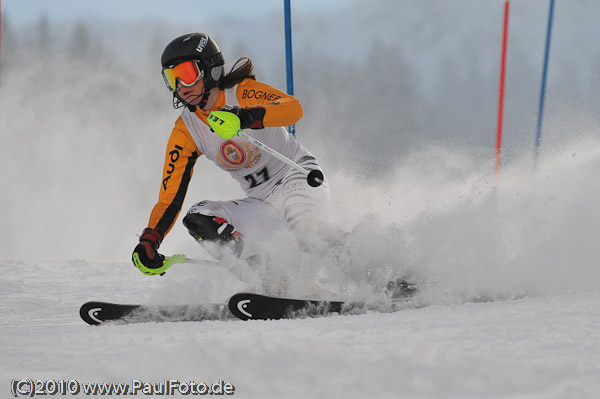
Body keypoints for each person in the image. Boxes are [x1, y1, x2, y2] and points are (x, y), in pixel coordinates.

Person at [132, 32, 333, 277]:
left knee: (307, 237)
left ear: (210, 70)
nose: (181, 88)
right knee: (198, 218)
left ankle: (371, 267)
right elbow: (169, 198)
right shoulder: (186, 129)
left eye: (186, 75)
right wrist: (151, 239)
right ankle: (271, 280)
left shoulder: (242, 93)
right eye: (172, 79)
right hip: (261, 204)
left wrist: (246, 116)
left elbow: (294, 109)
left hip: (298, 179)